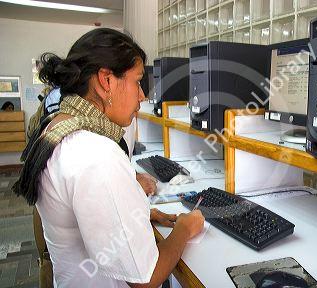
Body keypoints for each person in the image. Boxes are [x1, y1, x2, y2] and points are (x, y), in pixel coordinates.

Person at [13, 28, 204, 288]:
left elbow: (85, 210)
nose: (142, 96)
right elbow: (146, 279)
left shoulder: (56, 126)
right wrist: (185, 227)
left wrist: (139, 213)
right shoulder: (97, 153)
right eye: (137, 81)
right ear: (106, 80)